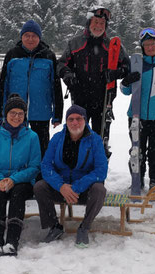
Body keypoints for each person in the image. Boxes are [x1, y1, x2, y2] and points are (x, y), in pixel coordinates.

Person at [57, 6, 130, 156]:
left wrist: (115, 73)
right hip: (79, 97)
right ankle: (75, 168)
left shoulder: (113, 46)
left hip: (103, 99)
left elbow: (127, 67)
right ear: (89, 23)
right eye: (95, 22)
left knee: (100, 138)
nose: (98, 26)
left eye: (102, 24)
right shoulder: (75, 43)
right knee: (76, 135)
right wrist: (68, 75)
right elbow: (61, 64)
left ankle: (98, 171)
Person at [34, 105, 108, 247]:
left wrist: (77, 186)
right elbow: (46, 165)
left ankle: (84, 227)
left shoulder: (95, 140)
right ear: (66, 122)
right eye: (71, 119)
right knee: (39, 187)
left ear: (85, 121)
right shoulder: (57, 139)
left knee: (99, 189)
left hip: (84, 190)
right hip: (61, 188)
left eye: (79, 119)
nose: (75, 123)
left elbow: (101, 170)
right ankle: (54, 226)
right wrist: (61, 186)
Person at [0, 94, 41, 258]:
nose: (16, 117)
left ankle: (12, 242)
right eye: (13, 113)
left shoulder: (32, 137)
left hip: (22, 181)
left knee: (18, 194)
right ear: (6, 114)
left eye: (20, 114)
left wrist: (14, 179)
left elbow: (35, 166)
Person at [0, 20, 63, 157]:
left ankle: (40, 177)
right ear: (21, 37)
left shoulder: (48, 56)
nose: (30, 39)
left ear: (39, 37)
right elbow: (3, 85)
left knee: (41, 149)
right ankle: (19, 177)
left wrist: (57, 114)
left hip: (41, 112)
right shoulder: (12, 55)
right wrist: (1, 112)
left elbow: (55, 87)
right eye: (27, 35)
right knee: (17, 150)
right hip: (15, 113)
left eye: (34, 36)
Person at [120, 28, 155, 190]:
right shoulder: (136, 64)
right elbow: (125, 90)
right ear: (142, 47)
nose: (150, 47)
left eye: (153, 44)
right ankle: (138, 178)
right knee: (137, 150)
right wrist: (126, 82)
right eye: (146, 44)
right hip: (137, 116)